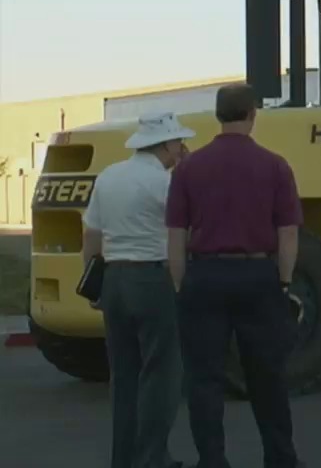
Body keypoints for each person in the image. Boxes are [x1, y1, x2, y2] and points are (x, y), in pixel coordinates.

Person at [166, 84, 305, 468]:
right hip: (258, 275)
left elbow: (176, 235)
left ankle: (212, 460)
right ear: (252, 114)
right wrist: (282, 281)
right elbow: (288, 232)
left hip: (205, 276)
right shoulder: (275, 165)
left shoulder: (189, 168)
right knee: (267, 377)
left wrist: (181, 283)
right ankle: (280, 458)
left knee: (204, 379)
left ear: (217, 115)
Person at [82, 111, 193, 468]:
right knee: (161, 373)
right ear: (163, 145)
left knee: (124, 375)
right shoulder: (166, 184)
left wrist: (93, 280)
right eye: (177, 142)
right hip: (153, 277)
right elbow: (183, 231)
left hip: (115, 278)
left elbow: (92, 234)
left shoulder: (109, 176)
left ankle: (124, 458)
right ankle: (153, 457)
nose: (181, 148)